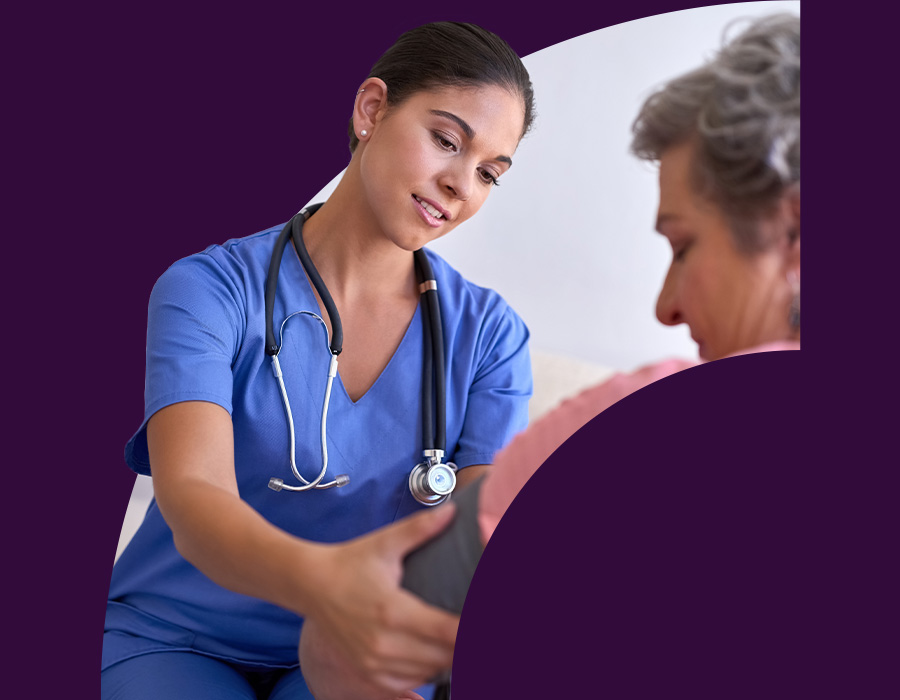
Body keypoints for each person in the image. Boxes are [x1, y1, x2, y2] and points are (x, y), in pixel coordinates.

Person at [297, 13, 800, 700]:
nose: (667, 307)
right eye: (445, 140)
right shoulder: (224, 289)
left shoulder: (630, 424)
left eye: (684, 246)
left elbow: (342, 652)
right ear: (371, 112)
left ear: (796, 235)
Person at [102, 21, 536, 700]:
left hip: (358, 645)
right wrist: (327, 583)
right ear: (372, 110)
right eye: (446, 142)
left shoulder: (489, 337)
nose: (460, 185)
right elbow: (194, 499)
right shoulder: (210, 291)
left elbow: (480, 535)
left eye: (489, 173)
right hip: (176, 634)